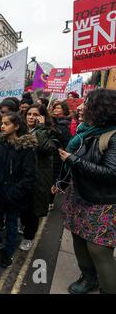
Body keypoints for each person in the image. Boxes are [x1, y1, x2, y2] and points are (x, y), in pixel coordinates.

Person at [52, 89, 116, 294]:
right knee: (78, 240)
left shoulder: (113, 136)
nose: (80, 107)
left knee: (98, 250)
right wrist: (61, 182)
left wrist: (73, 160)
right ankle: (89, 279)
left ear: (101, 109)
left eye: (86, 103)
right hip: (79, 196)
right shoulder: (85, 130)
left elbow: (111, 173)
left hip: (103, 203)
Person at [0, 112, 37, 268]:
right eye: (2, 123)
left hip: (13, 194)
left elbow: (29, 176)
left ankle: (9, 251)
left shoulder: (26, 148)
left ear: (17, 126)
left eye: (6, 124)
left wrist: (14, 192)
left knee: (11, 223)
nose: (2, 126)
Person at [19, 104, 56, 251]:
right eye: (29, 114)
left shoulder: (50, 132)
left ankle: (29, 237)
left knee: (33, 209)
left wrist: (40, 128)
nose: (31, 117)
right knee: (22, 206)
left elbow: (44, 148)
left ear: (42, 117)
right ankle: (25, 225)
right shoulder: (20, 129)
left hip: (38, 177)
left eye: (35, 115)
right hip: (22, 175)